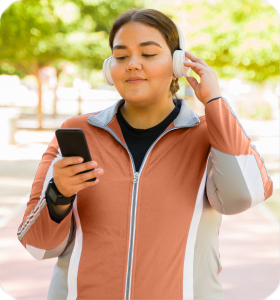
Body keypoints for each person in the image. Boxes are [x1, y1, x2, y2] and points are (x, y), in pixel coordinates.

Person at [17, 8, 273, 300]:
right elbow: (37, 245)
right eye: (121, 56)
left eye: (148, 55)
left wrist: (214, 102)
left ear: (178, 64)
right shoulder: (76, 133)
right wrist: (58, 194)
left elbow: (244, 196)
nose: (132, 65)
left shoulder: (209, 135)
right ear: (109, 67)